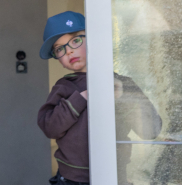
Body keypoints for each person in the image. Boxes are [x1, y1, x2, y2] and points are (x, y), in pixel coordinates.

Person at [37, 11, 162, 185]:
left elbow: (152, 130)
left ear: (93, 39)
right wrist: (79, 99)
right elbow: (50, 128)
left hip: (114, 175)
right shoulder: (64, 87)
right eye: (59, 48)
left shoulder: (122, 84)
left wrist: (124, 97)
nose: (69, 51)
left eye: (75, 41)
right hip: (71, 180)